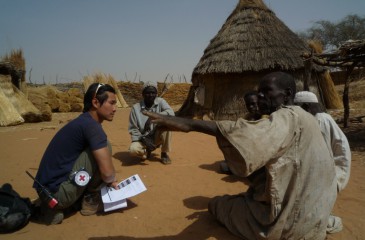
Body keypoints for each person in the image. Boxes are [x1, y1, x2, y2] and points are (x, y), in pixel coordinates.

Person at [143, 72, 337, 239]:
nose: (260, 96)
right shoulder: (306, 119)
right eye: (259, 92)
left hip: (290, 224)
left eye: (267, 91)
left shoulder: (288, 116)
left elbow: (242, 133)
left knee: (218, 205)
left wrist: (190, 125)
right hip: (316, 215)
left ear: (287, 94)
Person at [32, 83, 120, 225]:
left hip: (46, 192)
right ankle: (89, 201)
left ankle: (53, 207)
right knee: (105, 148)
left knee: (98, 150)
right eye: (111, 103)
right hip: (57, 195)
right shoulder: (92, 127)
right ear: (96, 102)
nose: (115, 109)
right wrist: (112, 181)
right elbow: (108, 174)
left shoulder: (82, 121)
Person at [294, 90, 351, 234]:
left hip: (325, 173)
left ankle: (326, 223)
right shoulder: (313, 119)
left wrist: (336, 178)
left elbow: (333, 150)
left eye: (298, 107)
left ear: (306, 106)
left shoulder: (321, 120)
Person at [128, 81, 174, 165]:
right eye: (147, 93)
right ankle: (146, 151)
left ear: (156, 94)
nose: (151, 95)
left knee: (168, 126)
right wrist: (143, 139)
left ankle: (164, 153)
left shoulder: (160, 102)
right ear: (143, 94)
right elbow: (133, 128)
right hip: (143, 137)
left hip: (157, 135)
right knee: (133, 150)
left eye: (153, 93)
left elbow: (171, 113)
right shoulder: (136, 108)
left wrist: (152, 116)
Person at [220, 90, 262, 174]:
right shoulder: (246, 118)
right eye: (248, 105)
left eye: (254, 104)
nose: (251, 107)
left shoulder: (266, 118)